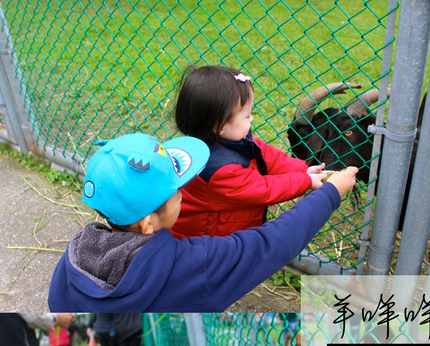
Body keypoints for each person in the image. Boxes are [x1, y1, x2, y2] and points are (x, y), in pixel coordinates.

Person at [47, 132, 357, 311]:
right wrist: (331, 192)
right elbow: (271, 244)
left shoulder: (72, 261)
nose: (184, 193)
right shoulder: (192, 266)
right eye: (176, 190)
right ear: (147, 223)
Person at [171, 65, 329, 238]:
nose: (251, 118)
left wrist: (300, 169)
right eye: (247, 116)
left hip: (225, 227)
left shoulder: (230, 138)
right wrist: (305, 181)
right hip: (209, 242)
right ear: (221, 126)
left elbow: (265, 154)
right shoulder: (219, 171)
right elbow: (264, 189)